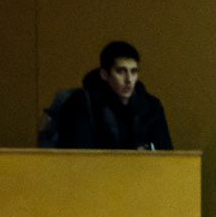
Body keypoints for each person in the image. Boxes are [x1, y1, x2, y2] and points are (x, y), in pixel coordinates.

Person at [45, 40, 173, 150]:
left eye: (133, 72)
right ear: (104, 74)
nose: (129, 80)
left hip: (141, 174)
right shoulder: (81, 103)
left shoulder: (150, 106)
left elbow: (166, 155)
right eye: (121, 71)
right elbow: (77, 155)